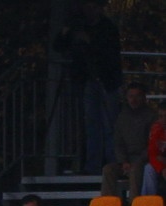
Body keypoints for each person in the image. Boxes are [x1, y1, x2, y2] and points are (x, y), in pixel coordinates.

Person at [53, 0, 122, 175]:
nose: (89, 10)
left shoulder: (107, 28)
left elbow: (110, 54)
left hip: (107, 81)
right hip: (88, 80)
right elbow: (58, 46)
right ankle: (93, 165)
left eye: (93, 6)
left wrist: (89, 43)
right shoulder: (79, 26)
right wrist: (67, 31)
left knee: (109, 124)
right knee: (92, 125)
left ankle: (112, 163)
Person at [101, 82, 157, 202]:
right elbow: (118, 142)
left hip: (144, 161)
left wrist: (138, 161)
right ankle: (107, 205)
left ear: (144, 97)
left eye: (137, 96)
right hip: (126, 161)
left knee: (135, 170)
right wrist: (123, 161)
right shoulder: (122, 117)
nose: (134, 99)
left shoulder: (152, 116)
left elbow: (153, 143)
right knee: (108, 170)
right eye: (131, 96)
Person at [141, 100, 166, 197]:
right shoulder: (156, 129)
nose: (164, 120)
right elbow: (153, 154)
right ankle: (149, 203)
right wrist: (162, 168)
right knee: (148, 168)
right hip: (162, 165)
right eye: (161, 116)